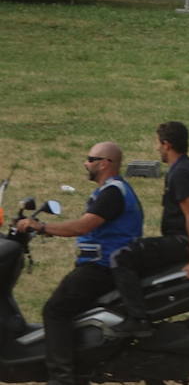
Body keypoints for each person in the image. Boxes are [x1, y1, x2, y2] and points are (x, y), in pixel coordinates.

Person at [14, 142, 143, 385]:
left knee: (55, 310)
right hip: (105, 265)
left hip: (102, 267)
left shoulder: (113, 192)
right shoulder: (112, 190)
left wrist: (41, 226)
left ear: (105, 163)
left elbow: (82, 226)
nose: (86, 163)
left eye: (90, 158)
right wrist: (46, 230)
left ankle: (62, 378)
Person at [110, 122, 189, 336]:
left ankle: (138, 319)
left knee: (122, 257)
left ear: (166, 144)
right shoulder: (186, 168)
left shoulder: (181, 173)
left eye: (158, 143)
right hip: (182, 241)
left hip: (181, 242)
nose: (156, 148)